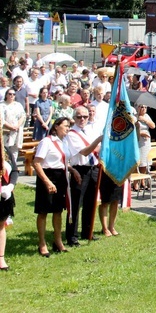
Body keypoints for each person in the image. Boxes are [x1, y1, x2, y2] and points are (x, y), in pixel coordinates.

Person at [33, 118, 74, 255]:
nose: (68, 128)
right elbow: (37, 163)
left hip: (61, 176)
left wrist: (73, 171)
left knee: (58, 211)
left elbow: (62, 161)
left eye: (69, 126)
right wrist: (47, 182)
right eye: (65, 126)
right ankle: (42, 243)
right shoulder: (47, 142)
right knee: (43, 211)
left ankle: (58, 241)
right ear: (56, 126)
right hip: (48, 176)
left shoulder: (64, 143)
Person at [64, 107, 102, 244]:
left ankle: (87, 231)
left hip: (93, 168)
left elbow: (97, 149)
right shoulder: (72, 134)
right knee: (76, 203)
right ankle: (72, 236)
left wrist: (96, 144)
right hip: (79, 170)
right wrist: (97, 141)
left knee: (90, 202)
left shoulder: (90, 130)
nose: (82, 119)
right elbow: (85, 152)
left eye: (85, 117)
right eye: (79, 117)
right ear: (74, 118)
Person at [1, 148, 18, 270]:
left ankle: (0, 258)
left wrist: (10, 185)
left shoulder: (5, 151)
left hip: (4, 194)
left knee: (1, 225)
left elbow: (15, 170)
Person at [1, 88, 26, 166]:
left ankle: (14, 166)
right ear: (6, 95)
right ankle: (6, 166)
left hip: (16, 130)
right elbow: (1, 119)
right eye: (10, 94)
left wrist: (17, 126)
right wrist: (10, 127)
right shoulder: (2, 105)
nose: (12, 96)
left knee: (15, 150)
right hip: (6, 131)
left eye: (13, 94)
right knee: (5, 149)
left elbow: (23, 116)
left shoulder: (18, 105)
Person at [134, 105, 155, 192]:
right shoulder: (134, 116)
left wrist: (145, 120)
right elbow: (132, 129)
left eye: (145, 107)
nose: (143, 109)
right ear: (137, 107)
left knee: (144, 162)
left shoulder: (146, 116)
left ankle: (142, 181)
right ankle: (135, 183)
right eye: (141, 107)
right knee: (137, 162)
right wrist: (141, 133)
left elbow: (153, 126)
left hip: (146, 142)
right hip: (138, 140)